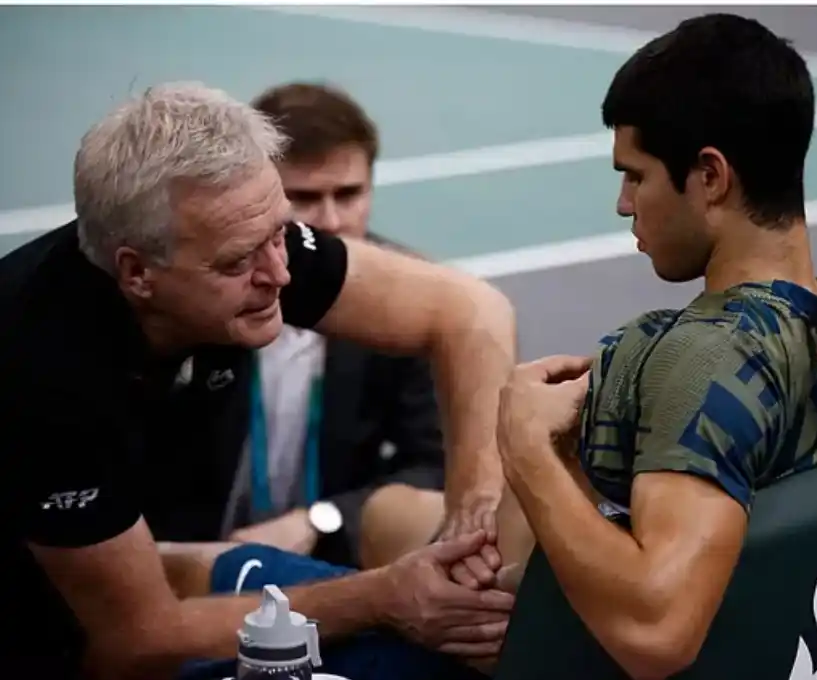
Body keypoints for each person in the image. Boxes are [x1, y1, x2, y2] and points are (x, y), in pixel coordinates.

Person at [0, 81, 515, 679]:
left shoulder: (241, 243)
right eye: (237, 261)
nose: (279, 273)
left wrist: (476, 507)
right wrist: (386, 597)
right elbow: (139, 637)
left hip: (137, 564)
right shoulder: (43, 372)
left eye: (279, 233)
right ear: (138, 272)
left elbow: (470, 310)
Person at [492, 14, 817, 679]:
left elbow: (659, 628)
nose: (624, 204)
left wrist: (527, 449)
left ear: (709, 176)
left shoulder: (703, 361)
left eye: (637, 175)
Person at [144, 81, 449, 570]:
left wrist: (319, 520)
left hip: (333, 562)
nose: (331, 222)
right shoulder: (194, 290)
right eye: (303, 199)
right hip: (185, 559)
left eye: (349, 194)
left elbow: (435, 464)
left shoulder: (418, 301)